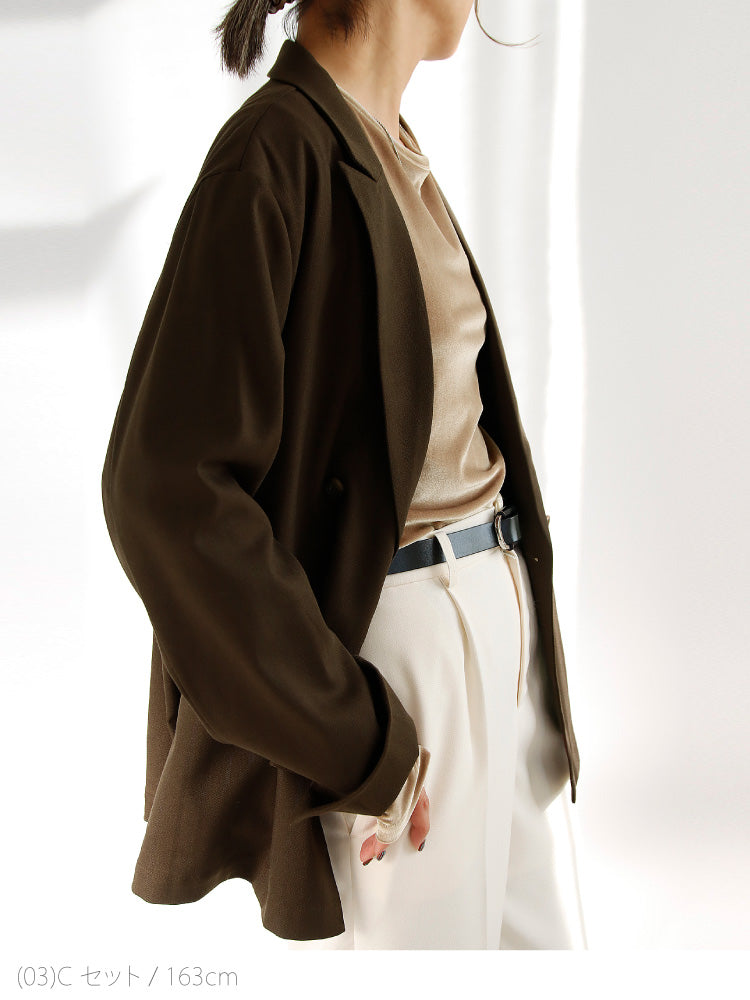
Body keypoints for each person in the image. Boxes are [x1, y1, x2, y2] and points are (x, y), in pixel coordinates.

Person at [101, 0, 583, 949]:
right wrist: (357, 738)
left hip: (495, 616)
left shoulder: (385, 141)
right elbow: (165, 490)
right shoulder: (273, 154)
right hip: (409, 651)